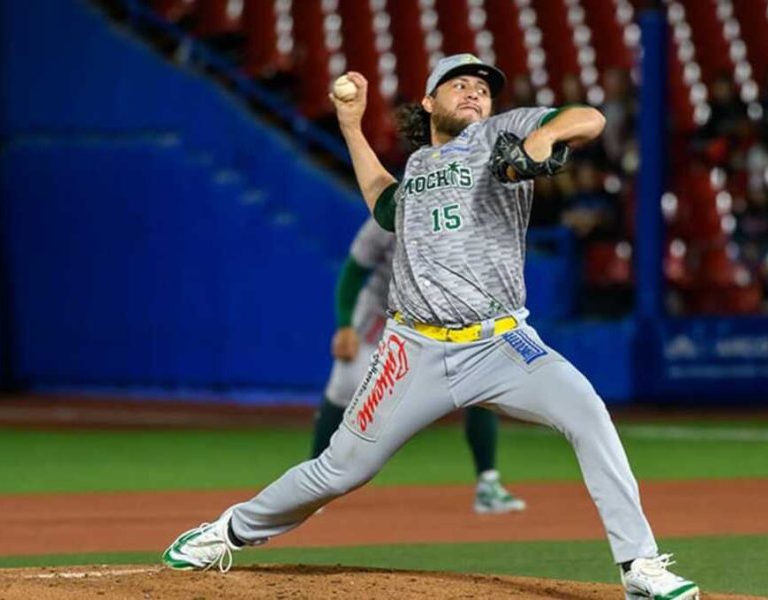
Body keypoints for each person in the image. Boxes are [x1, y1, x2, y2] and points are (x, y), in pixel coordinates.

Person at [162, 53, 698, 600]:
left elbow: (589, 119)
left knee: (588, 413)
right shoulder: (417, 167)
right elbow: (382, 203)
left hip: (500, 342)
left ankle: (639, 564)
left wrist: (544, 136)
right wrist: (351, 127)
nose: (474, 93)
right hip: (412, 347)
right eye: (458, 85)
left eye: (482, 89)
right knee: (340, 469)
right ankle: (227, 531)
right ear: (428, 101)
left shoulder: (498, 134)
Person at [312, 217, 525, 514]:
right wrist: (345, 325)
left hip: (445, 319)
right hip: (381, 316)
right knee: (344, 388)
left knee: (480, 385)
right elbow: (354, 271)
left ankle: (488, 484)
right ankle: (313, 485)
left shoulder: (465, 215)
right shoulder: (388, 216)